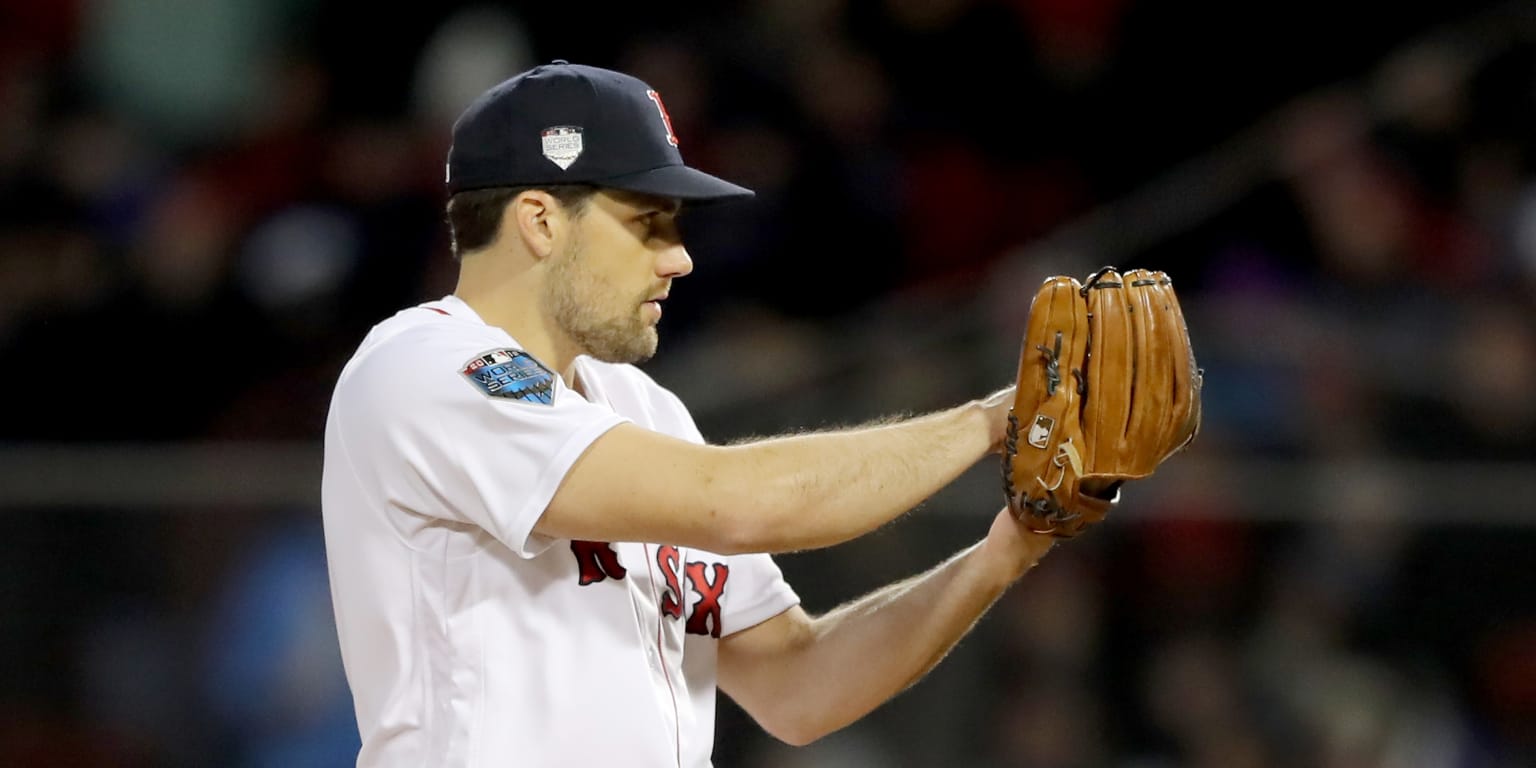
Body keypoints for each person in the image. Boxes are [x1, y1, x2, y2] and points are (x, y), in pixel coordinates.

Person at [320, 60, 1080, 767]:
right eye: (649, 222)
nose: (679, 257)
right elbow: (736, 502)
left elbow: (798, 684)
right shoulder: (423, 369)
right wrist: (992, 422)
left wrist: (1006, 549)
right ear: (541, 220)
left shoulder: (640, 407)